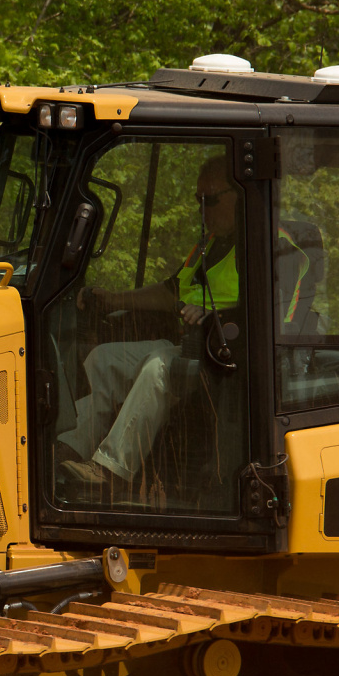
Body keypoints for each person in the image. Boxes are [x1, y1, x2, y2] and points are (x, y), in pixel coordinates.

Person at [57, 157, 244, 489]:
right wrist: (114, 299)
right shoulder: (209, 244)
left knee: (158, 367)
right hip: (190, 346)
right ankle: (66, 450)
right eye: (198, 200)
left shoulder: (266, 246)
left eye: (210, 200)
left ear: (240, 194)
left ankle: (111, 470)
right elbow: (172, 291)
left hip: (227, 358)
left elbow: (274, 312)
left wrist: (217, 316)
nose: (202, 210)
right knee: (103, 360)